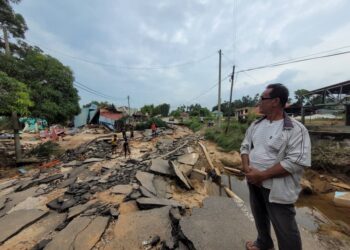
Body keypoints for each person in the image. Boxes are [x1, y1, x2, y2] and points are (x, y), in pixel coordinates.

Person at [240, 83, 311, 250]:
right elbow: (245, 146)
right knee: (259, 216)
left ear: (275, 101)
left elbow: (295, 161)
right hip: (254, 182)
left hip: (277, 188)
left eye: (262, 99)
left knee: (285, 227)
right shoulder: (256, 125)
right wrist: (246, 167)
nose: (259, 102)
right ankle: (264, 243)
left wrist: (263, 175)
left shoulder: (295, 129)